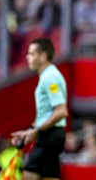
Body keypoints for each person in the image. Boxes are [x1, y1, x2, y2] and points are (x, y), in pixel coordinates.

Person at [11, 38, 68, 180]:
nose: (27, 57)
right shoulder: (47, 76)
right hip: (51, 135)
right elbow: (46, 114)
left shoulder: (50, 77)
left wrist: (37, 131)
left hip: (49, 136)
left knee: (28, 176)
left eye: (31, 54)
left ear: (42, 57)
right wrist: (29, 131)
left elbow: (61, 111)